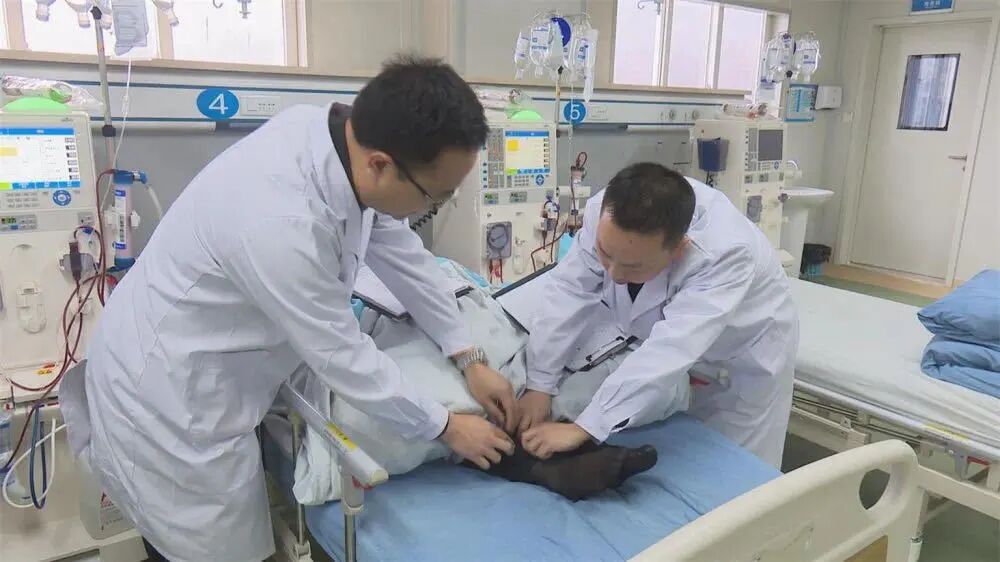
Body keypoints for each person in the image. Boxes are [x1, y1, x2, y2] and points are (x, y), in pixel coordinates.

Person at [60, 56, 521, 562]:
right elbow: (342, 356)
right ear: (381, 164)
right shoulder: (281, 222)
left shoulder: (333, 139)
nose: (433, 208)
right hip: (171, 399)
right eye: (435, 197)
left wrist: (467, 355)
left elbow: (405, 258)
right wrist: (446, 426)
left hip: (197, 368)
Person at [516, 163, 798, 468]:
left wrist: (585, 427)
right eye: (605, 254)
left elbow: (670, 349)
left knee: (737, 471)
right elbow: (570, 291)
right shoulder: (607, 212)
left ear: (679, 249)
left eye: (633, 266)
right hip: (675, 350)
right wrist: (539, 384)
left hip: (741, 359)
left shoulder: (725, 253)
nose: (614, 275)